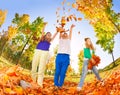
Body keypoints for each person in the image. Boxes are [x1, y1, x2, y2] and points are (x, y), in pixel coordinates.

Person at [31, 22, 58, 87]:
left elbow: (54, 36)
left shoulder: (49, 41)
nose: (49, 35)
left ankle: (39, 84)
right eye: (48, 34)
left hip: (45, 53)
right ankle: (33, 81)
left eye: (50, 35)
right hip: (38, 51)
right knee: (34, 65)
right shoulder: (42, 39)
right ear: (45, 35)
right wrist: (44, 26)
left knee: (41, 68)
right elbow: (42, 32)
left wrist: (57, 31)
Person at [54, 24, 75, 88]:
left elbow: (70, 33)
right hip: (59, 56)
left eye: (66, 34)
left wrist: (71, 28)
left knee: (63, 72)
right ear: (62, 35)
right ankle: (55, 84)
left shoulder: (69, 40)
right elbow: (60, 32)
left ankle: (60, 85)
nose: (65, 34)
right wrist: (61, 28)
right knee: (57, 71)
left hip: (66, 57)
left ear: (68, 36)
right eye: (64, 34)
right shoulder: (60, 40)